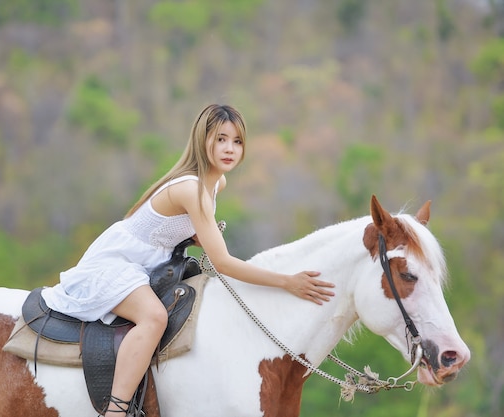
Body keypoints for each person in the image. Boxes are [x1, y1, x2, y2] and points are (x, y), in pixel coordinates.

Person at [41, 104, 335, 416]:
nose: (229, 149)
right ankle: (116, 409)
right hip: (118, 264)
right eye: (220, 139)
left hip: (150, 265)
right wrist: (287, 282)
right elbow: (222, 263)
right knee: (154, 318)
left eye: (237, 142)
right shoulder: (189, 188)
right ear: (202, 139)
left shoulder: (217, 183)